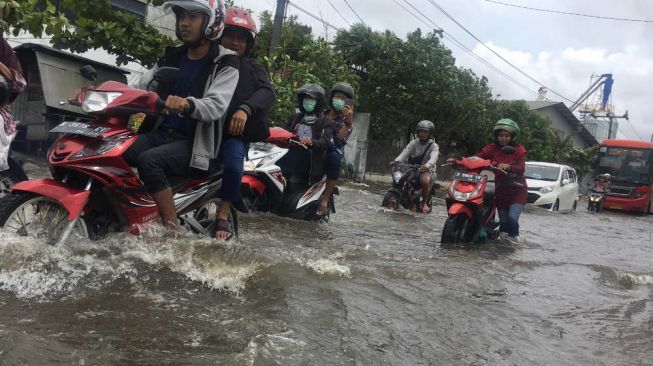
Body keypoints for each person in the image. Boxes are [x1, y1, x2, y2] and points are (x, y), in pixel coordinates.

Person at [124, 0, 239, 229]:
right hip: (161, 133)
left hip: (196, 145)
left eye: (192, 17)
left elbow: (216, 104)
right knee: (117, 150)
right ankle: (122, 213)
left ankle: (171, 231)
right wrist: (100, 90)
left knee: (150, 161)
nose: (184, 23)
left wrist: (187, 104)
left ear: (211, 22)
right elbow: (139, 84)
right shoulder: (172, 57)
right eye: (181, 17)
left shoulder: (225, 62)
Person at [214, 6, 275, 240]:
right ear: (219, 35)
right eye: (230, 36)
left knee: (232, 165)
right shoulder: (208, 61)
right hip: (201, 129)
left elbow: (267, 92)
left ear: (249, 44)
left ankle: (223, 211)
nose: (235, 43)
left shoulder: (254, 68)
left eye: (241, 39)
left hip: (233, 134)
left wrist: (245, 109)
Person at [475, 118, 527, 241]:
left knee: (512, 218)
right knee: (503, 219)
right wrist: (461, 160)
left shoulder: (519, 150)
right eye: (501, 136)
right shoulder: (492, 148)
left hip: (517, 189)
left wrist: (509, 166)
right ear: (496, 136)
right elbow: (478, 157)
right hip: (501, 189)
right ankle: (503, 243)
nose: (503, 138)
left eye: (506, 136)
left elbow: (521, 168)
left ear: (512, 137)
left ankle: (514, 239)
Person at [282, 83, 334, 189]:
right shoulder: (295, 118)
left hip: (311, 159)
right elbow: (284, 133)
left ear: (318, 102)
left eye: (311, 99)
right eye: (305, 98)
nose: (307, 101)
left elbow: (325, 142)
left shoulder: (325, 122)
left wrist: (311, 142)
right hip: (290, 153)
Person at [315, 82, 355, 217]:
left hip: (331, 150)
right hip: (315, 146)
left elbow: (339, 140)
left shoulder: (347, 122)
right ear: (331, 97)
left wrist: (347, 122)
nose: (339, 101)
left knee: (335, 157)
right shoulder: (320, 113)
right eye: (337, 97)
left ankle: (325, 199)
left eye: (343, 99)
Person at [391, 120, 439, 213]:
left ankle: (424, 203)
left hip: (427, 171)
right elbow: (405, 153)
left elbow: (434, 158)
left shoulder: (434, 146)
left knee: (425, 181)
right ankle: (401, 196)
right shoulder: (413, 143)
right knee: (400, 178)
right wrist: (396, 161)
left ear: (429, 133)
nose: (422, 134)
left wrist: (427, 166)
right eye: (420, 131)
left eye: (425, 132)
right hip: (412, 169)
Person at [0, 32, 27, 183]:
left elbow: (21, 84)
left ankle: (22, 194)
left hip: (1, 115)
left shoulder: (4, 51)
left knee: (7, 164)